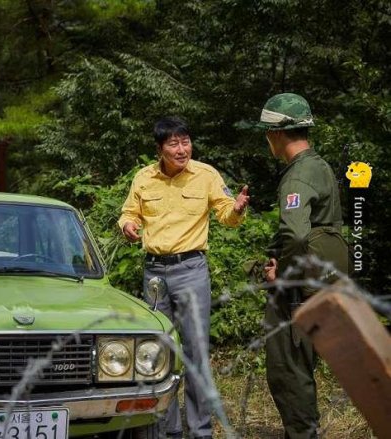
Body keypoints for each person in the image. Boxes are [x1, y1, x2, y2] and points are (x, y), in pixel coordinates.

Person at [118, 116, 249, 439]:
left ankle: (200, 431)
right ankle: (167, 430)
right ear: (160, 149)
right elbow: (129, 212)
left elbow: (226, 214)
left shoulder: (206, 175)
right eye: (173, 144)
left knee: (195, 353)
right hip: (154, 274)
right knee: (158, 353)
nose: (181, 149)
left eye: (185, 142)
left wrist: (237, 209)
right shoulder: (144, 178)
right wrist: (128, 225)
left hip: (191, 270)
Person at [256, 93, 349, 439]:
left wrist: (282, 274)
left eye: (268, 132)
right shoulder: (320, 166)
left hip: (296, 291)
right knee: (303, 367)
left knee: (288, 371)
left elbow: (295, 235)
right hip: (320, 283)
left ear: (277, 133)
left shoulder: (296, 176)